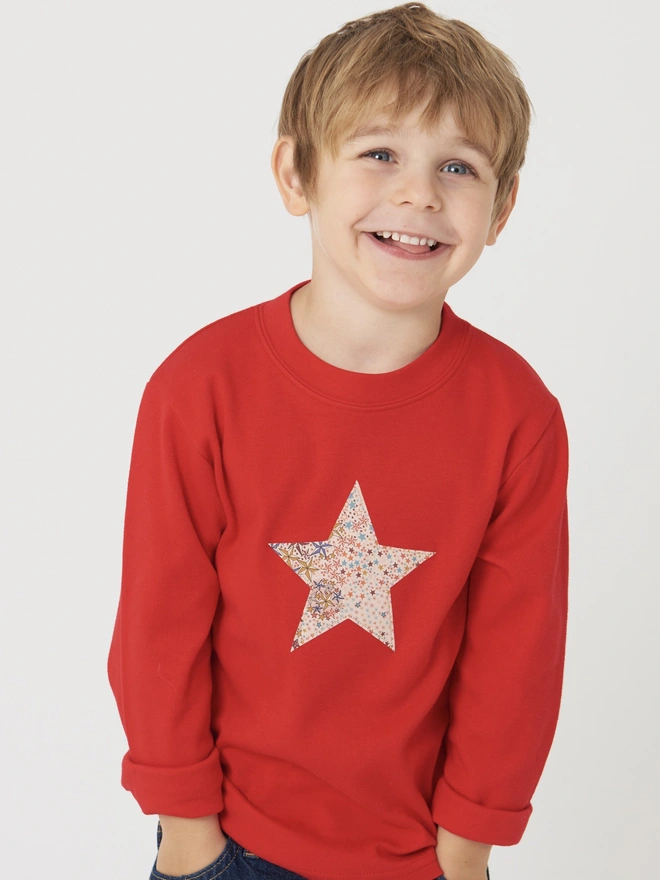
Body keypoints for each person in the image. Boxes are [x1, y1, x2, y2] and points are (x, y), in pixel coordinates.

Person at [107, 4, 570, 880]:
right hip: (226, 847)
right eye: (380, 154)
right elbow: (157, 630)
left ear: (501, 207)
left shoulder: (518, 415)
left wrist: (465, 851)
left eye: (458, 167)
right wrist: (189, 836)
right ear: (296, 173)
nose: (420, 194)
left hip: (418, 860)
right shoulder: (198, 388)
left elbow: (518, 660)